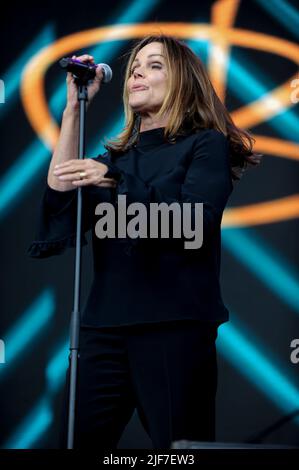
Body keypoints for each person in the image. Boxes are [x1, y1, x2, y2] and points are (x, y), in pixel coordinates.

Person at [28, 34, 262, 449]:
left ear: (183, 82)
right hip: (104, 329)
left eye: (154, 65)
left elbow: (195, 221)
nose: (137, 71)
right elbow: (61, 186)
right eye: (135, 65)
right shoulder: (115, 159)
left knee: (180, 452)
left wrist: (116, 182)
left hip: (174, 327)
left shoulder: (205, 145)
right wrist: (72, 110)